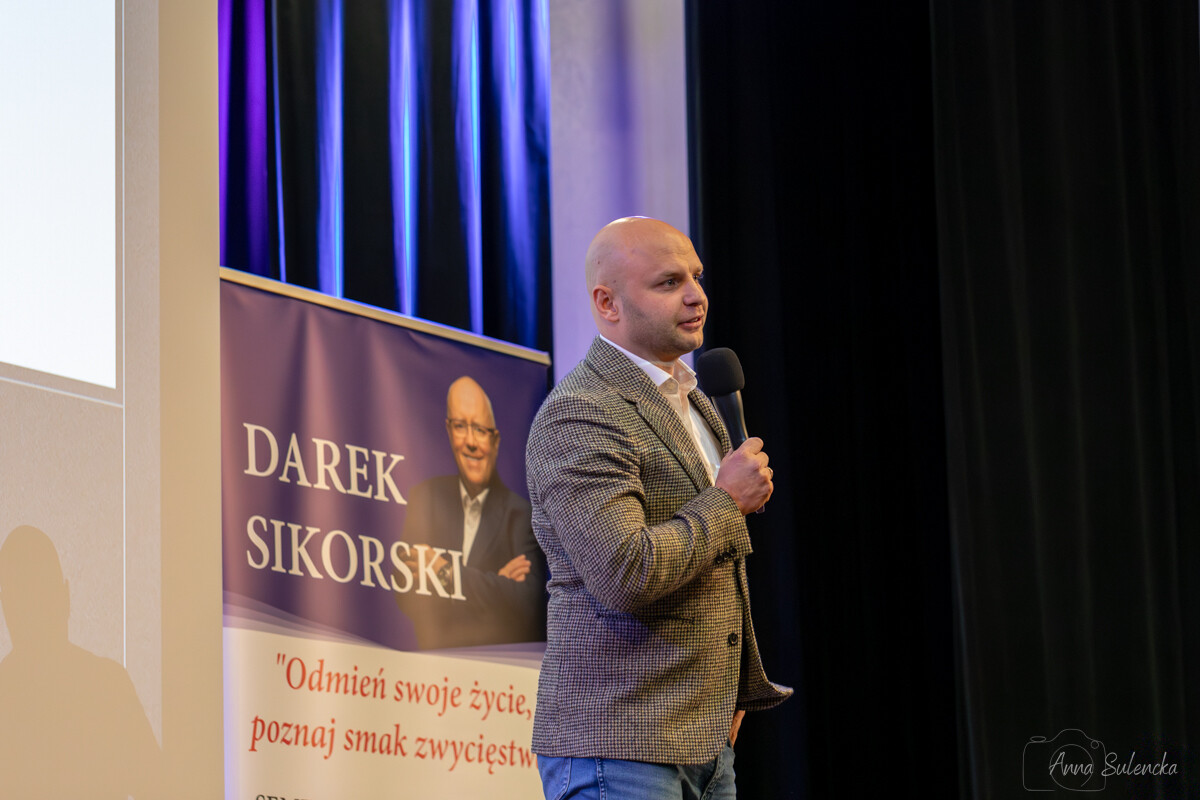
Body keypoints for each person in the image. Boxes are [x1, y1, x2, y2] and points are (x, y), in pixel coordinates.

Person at [525, 217, 791, 798]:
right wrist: (726, 501)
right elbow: (624, 571)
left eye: (696, 276)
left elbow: (713, 571)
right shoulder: (583, 411)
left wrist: (726, 688)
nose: (696, 296)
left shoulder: (694, 399)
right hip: (619, 744)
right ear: (607, 303)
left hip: (703, 739)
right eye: (669, 282)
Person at [398, 376, 546, 649]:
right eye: (460, 426)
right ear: (448, 431)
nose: (470, 442)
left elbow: (529, 605)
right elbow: (405, 593)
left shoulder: (523, 516)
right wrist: (497, 586)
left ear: (495, 440)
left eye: (480, 430)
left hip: (496, 671)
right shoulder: (425, 498)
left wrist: (445, 572)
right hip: (432, 667)